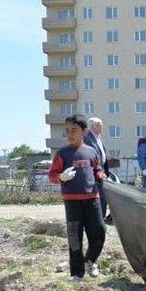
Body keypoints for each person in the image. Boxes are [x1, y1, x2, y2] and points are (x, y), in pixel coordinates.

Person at [49, 114, 106, 281]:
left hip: (92, 198)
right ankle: (77, 273)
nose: (70, 134)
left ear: (84, 131)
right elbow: (52, 175)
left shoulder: (91, 151)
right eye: (67, 130)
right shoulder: (63, 153)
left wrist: (101, 174)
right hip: (72, 201)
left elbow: (97, 169)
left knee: (99, 232)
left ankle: (90, 261)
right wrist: (61, 177)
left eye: (74, 130)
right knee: (75, 237)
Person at [84, 117, 110, 218]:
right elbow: (88, 156)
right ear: (92, 127)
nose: (102, 127)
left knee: (103, 197)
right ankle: (97, 220)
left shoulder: (98, 138)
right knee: (97, 198)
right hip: (93, 174)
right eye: (99, 124)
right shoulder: (87, 138)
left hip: (101, 171)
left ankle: (101, 219)